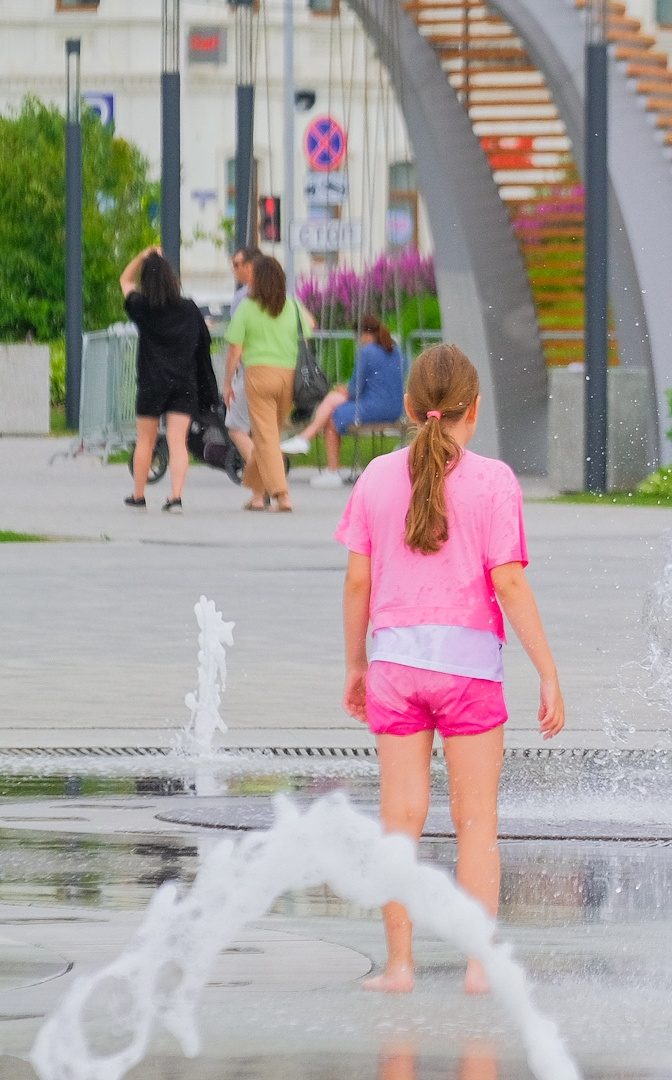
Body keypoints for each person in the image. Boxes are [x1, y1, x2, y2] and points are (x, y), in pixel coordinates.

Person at [338, 343, 565, 995]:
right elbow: (510, 584)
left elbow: (358, 582)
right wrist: (547, 671)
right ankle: (476, 967)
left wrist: (356, 664)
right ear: (475, 410)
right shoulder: (494, 481)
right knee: (476, 825)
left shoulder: (377, 478)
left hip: (397, 666)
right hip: (468, 671)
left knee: (399, 821)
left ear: (410, 409)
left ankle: (401, 967)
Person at [119, 246, 218, 512]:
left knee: (146, 441)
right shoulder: (188, 309)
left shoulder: (143, 308)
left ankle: (139, 495)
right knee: (178, 442)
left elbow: (125, 280)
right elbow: (203, 342)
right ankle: (175, 497)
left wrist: (142, 256)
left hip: (152, 382)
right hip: (184, 383)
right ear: (172, 279)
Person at [224, 254, 313, 512]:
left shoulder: (248, 308)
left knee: (266, 437)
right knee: (269, 437)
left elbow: (234, 351)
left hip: (259, 375)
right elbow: (305, 341)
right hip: (289, 376)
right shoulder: (294, 306)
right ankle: (256, 495)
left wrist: (228, 383)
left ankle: (281, 495)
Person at [282, 313, 407, 487]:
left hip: (374, 407)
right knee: (334, 401)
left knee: (333, 414)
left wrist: (344, 390)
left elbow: (355, 390)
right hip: (394, 408)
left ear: (363, 333)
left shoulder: (367, 352)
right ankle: (305, 439)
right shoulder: (396, 351)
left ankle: (330, 467)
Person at [224, 248, 261, 467]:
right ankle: (260, 491)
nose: (234, 269)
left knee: (236, 426)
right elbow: (310, 323)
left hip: (252, 369)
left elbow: (236, 345)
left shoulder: (243, 299)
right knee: (262, 430)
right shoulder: (282, 296)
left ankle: (264, 476)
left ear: (250, 266)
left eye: (237, 264)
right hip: (282, 369)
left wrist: (228, 382)